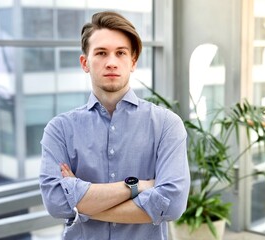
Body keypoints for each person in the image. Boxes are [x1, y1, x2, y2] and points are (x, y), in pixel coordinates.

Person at [39, 11, 190, 240]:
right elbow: (56, 204)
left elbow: (172, 205)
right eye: (101, 53)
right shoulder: (59, 130)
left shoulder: (167, 125)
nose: (111, 62)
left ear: (133, 62)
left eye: (121, 53)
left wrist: (82, 202)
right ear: (85, 63)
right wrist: (138, 186)